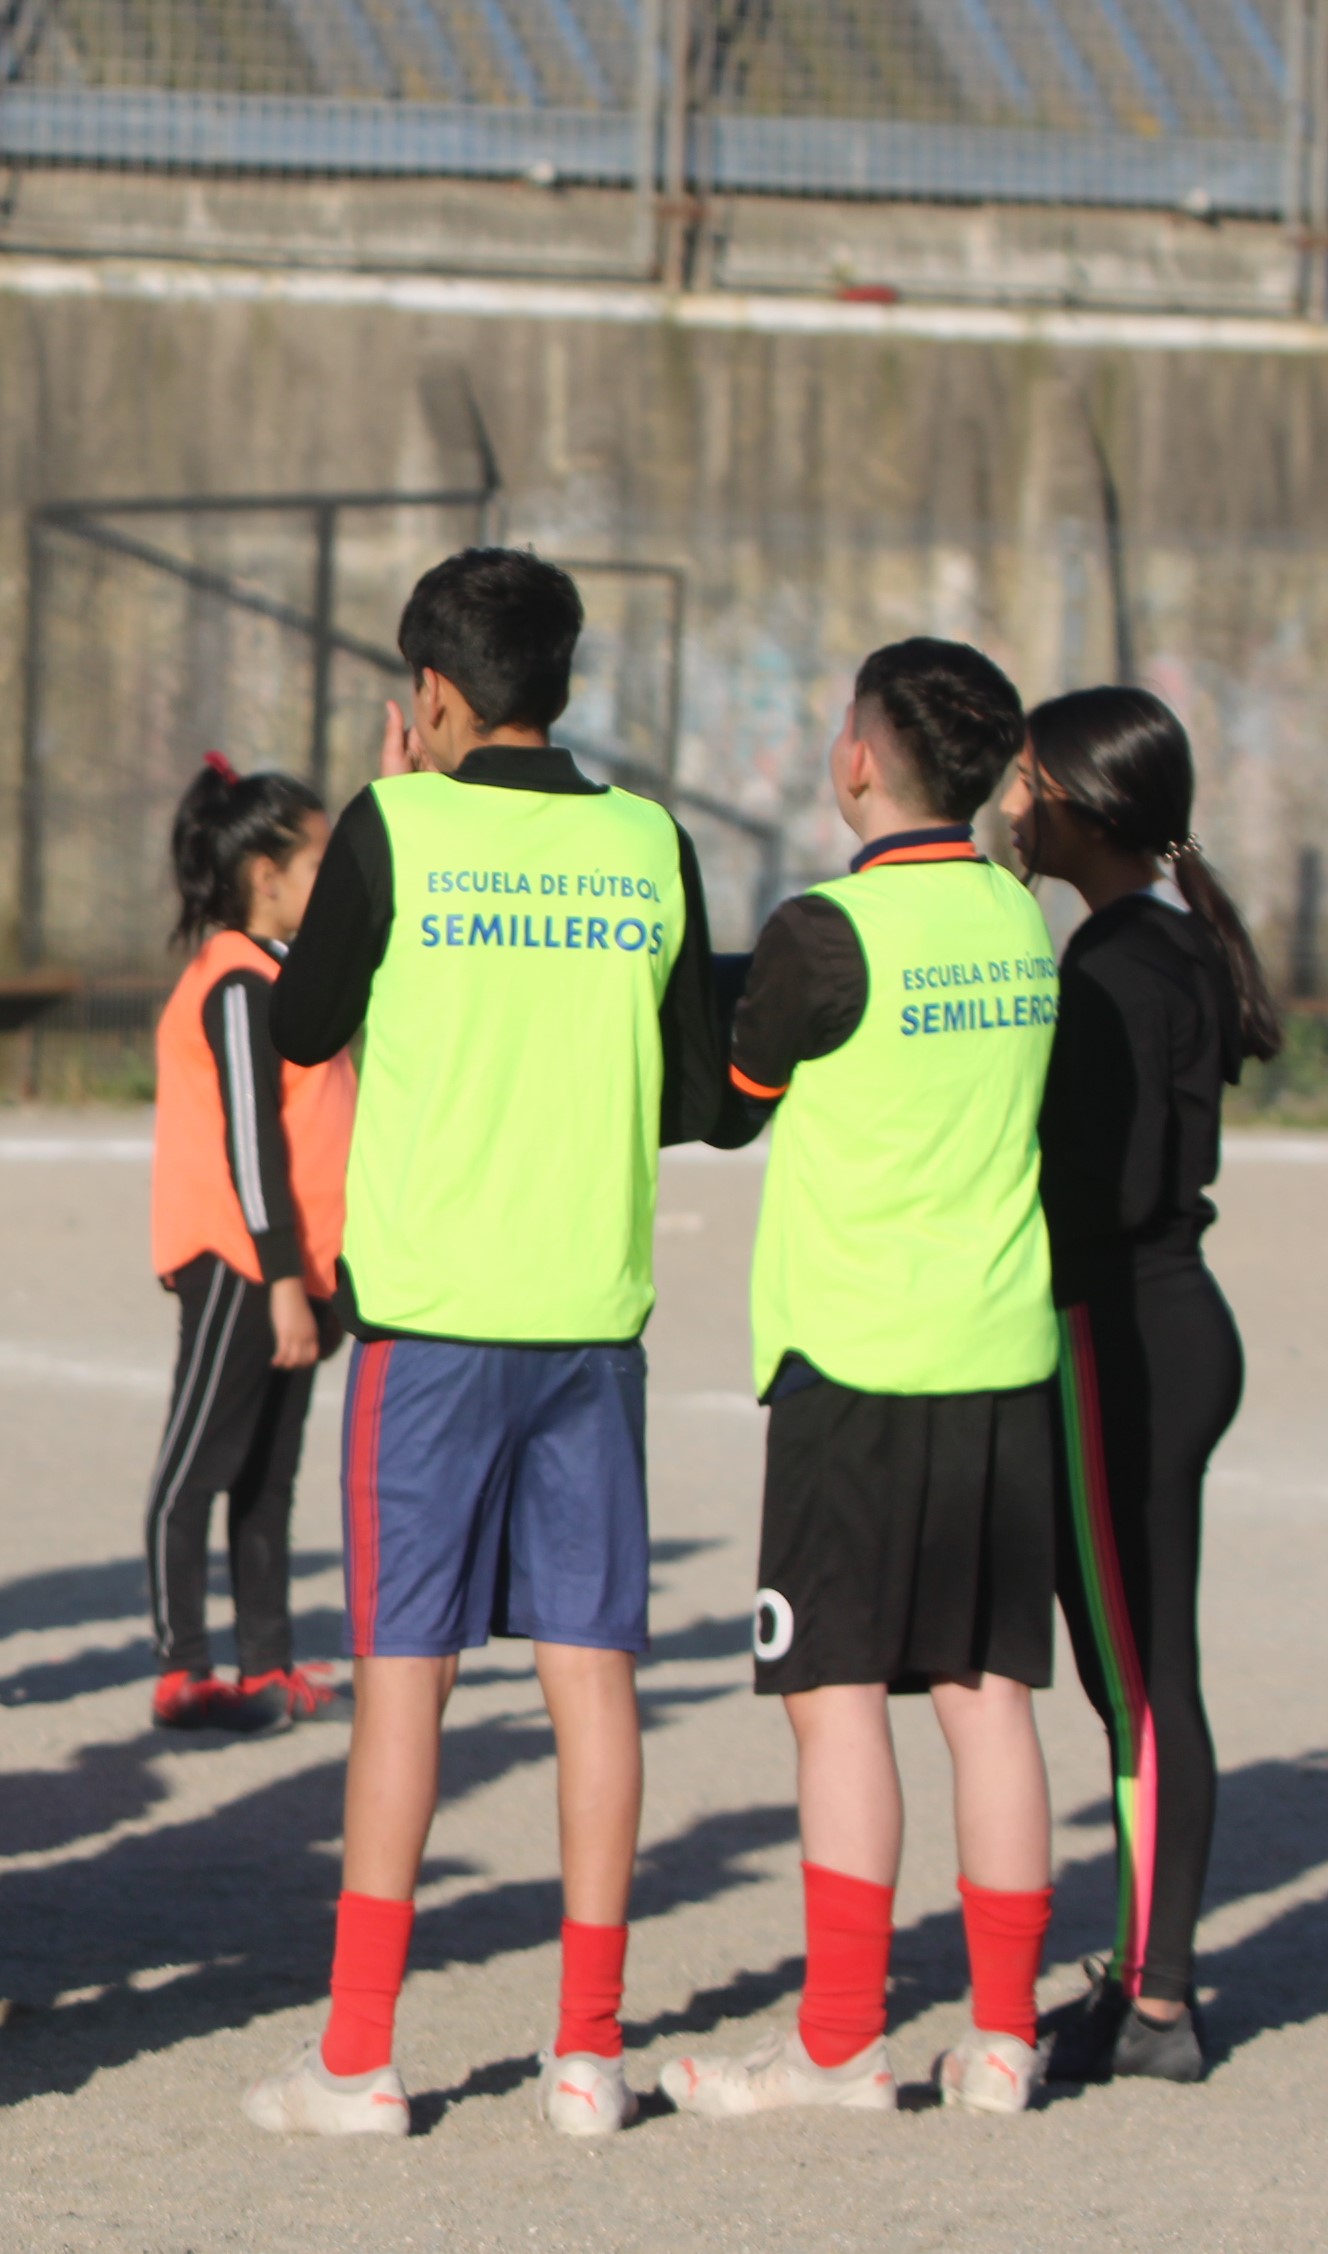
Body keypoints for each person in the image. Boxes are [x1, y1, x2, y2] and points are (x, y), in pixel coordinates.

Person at [250, 549, 733, 2139]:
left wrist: (390, 816)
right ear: (566, 681)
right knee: (594, 1673)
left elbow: (302, 1023)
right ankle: (588, 2052)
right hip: (591, 1315)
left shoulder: (397, 825)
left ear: (434, 695)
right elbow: (693, 1091)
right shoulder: (653, 839)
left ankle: (359, 2056)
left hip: (434, 1325)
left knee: (408, 1679)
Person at [662, 638, 1064, 2120]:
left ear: (857, 759)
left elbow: (729, 1103)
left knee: (835, 1698)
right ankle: (1004, 2037)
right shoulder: (1017, 914)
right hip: (1001, 1353)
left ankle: (837, 2039)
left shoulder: (825, 931)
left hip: (856, 1360)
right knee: (988, 1696)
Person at [1007, 686, 1277, 2086]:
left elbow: (1100, 1187)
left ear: (1083, 803)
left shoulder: (1113, 964)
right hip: (1169, 1320)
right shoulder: (1159, 939)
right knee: (1144, 1674)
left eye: (1028, 779)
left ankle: (1158, 2002)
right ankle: (1147, 1975)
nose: (1011, 802)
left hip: (1121, 1333)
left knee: (1141, 1682)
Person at [143, 757, 351, 1736]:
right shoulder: (236, 980)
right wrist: (278, 1278)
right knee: (195, 1468)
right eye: (320, 861)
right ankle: (182, 1668)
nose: (334, 878)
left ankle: (268, 1663)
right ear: (266, 875)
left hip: (295, 1265)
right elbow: (251, 1143)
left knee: (269, 1477)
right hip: (242, 1263)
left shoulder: (285, 972)